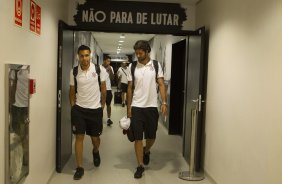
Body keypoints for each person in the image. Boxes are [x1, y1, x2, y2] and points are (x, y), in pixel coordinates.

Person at [127, 40, 168, 179]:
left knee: (151, 136)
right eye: (136, 53)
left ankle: (146, 150)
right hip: (137, 107)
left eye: (140, 52)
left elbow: (161, 84)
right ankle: (140, 166)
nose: (138, 55)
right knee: (138, 138)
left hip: (151, 107)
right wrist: (128, 110)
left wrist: (164, 102)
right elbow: (129, 88)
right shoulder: (132, 66)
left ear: (147, 51)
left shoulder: (155, 65)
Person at [69, 45, 107, 180]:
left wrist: (101, 107)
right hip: (79, 110)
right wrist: (73, 107)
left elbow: (104, 89)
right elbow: (72, 91)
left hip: (95, 110)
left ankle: (95, 151)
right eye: (81, 56)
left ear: (90, 55)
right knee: (79, 137)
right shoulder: (74, 71)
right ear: (78, 56)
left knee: (95, 139)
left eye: (86, 55)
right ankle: (80, 167)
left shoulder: (98, 69)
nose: (84, 58)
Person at [101, 55, 114, 126]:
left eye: (110, 61)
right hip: (101, 89)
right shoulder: (99, 68)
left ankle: (109, 119)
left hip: (108, 89)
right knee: (100, 105)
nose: (109, 62)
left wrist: (110, 71)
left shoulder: (110, 67)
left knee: (108, 105)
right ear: (104, 60)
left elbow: (112, 78)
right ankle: (99, 118)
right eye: (108, 61)